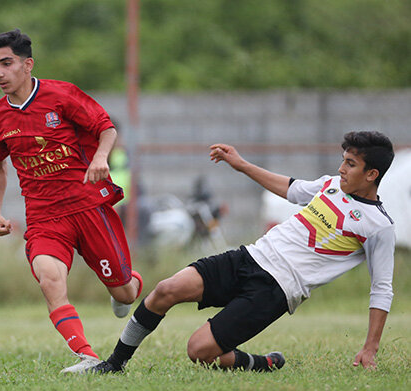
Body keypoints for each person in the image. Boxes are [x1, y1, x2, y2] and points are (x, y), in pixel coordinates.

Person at [92, 130, 395, 373]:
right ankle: (114, 365)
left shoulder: (377, 226)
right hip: (249, 257)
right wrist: (241, 164)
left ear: (372, 175)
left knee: (198, 351)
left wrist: (369, 348)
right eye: (343, 160)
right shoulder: (329, 185)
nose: (341, 169)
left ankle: (261, 363)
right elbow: (290, 189)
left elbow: (381, 289)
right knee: (166, 289)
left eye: (351, 165)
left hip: (276, 289)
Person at [0, 29, 143, 373]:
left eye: (6, 63)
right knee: (50, 280)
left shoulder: (61, 95)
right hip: (44, 217)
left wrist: (101, 158)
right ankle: (87, 356)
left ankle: (129, 286)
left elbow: (107, 128)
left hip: (87, 206)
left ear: (28, 65)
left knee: (125, 293)